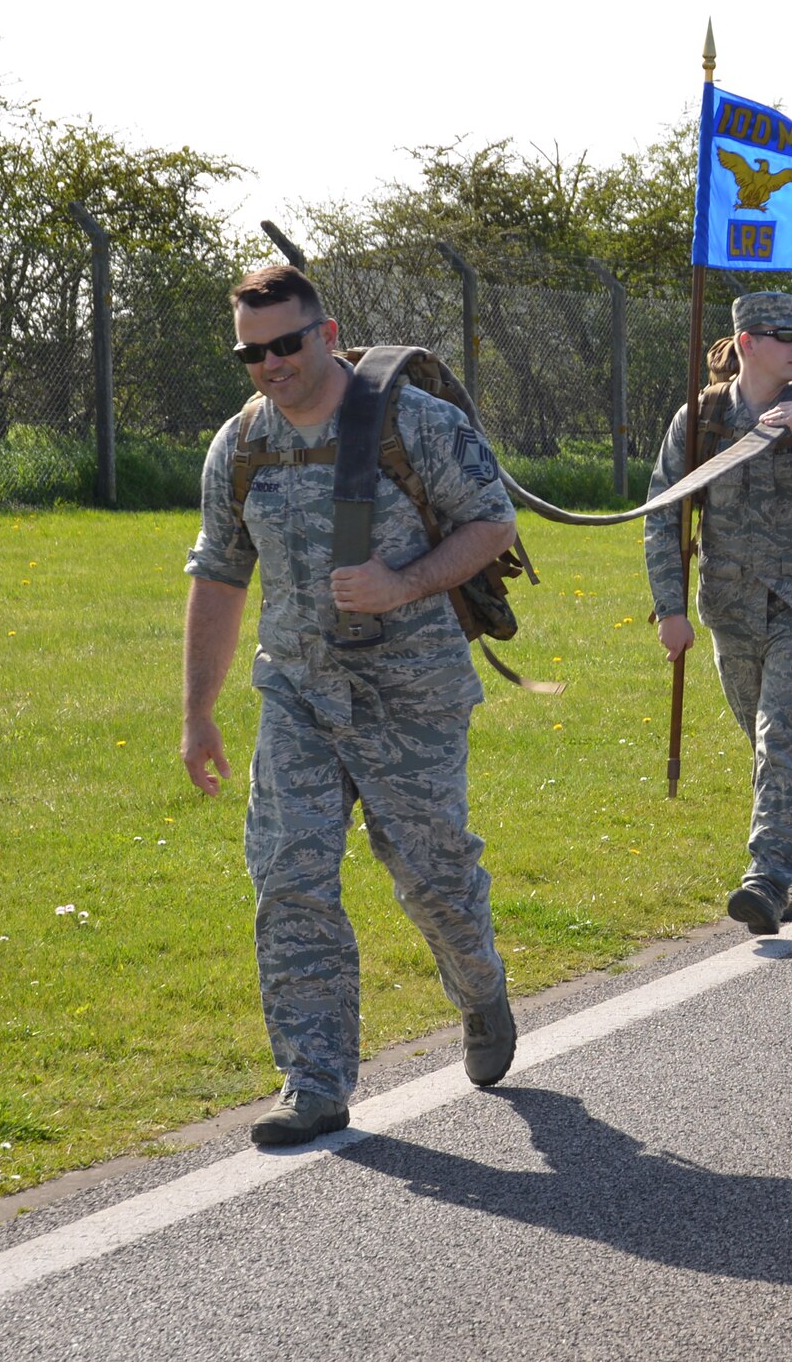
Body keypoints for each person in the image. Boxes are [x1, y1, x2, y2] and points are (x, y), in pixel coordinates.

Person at [182, 266, 520, 1147]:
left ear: (327, 334)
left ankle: (481, 989)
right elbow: (219, 571)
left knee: (431, 876)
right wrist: (199, 711)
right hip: (297, 691)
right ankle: (314, 1077)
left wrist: (399, 582)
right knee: (289, 876)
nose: (270, 363)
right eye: (250, 351)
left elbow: (492, 522)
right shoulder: (241, 444)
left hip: (410, 692)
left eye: (286, 343)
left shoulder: (415, 423)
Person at [643, 292, 792, 934]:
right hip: (731, 609)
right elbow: (665, 512)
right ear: (746, 342)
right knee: (771, 745)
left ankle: (768, 879)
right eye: (783, 334)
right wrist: (668, 608)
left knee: (780, 735)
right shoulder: (701, 419)